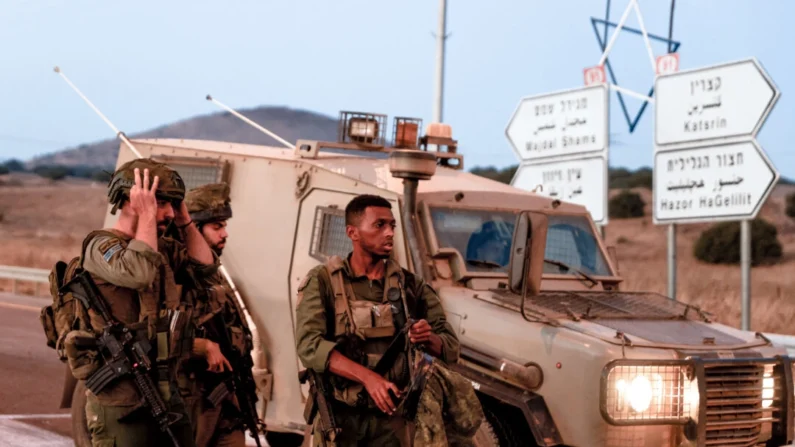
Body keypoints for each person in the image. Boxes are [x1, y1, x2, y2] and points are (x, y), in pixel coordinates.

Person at [65, 158, 230, 447]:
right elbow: (139, 273)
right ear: (133, 200)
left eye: (171, 204)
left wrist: (184, 219)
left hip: (166, 389)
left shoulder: (162, 247)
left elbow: (206, 269)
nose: (166, 211)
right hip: (122, 397)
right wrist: (148, 214)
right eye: (162, 202)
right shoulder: (100, 246)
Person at [294, 194, 461, 446]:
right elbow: (309, 345)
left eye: (392, 225)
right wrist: (368, 378)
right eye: (379, 225)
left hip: (393, 423)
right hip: (341, 418)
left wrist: (429, 338)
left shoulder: (410, 286)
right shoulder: (324, 281)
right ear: (353, 232)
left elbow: (451, 347)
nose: (389, 233)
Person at [179, 182, 263, 447]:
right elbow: (154, 333)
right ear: (194, 227)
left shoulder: (215, 274)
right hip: (192, 398)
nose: (225, 234)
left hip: (227, 397)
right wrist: (199, 346)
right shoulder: (177, 274)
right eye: (217, 227)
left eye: (224, 226)